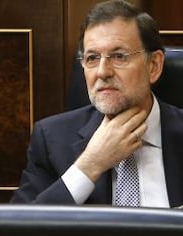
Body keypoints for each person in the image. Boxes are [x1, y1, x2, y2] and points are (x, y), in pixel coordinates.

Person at [11, 0, 183, 207]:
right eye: (92, 58)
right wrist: (91, 164)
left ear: (153, 65)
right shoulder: (51, 139)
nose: (102, 72)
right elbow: (22, 232)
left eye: (119, 56)